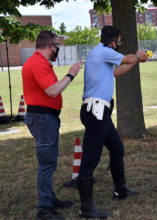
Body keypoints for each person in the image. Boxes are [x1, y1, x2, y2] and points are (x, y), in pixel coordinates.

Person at [76, 25, 147, 218]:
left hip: (101, 112)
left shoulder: (102, 55)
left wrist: (137, 61)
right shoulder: (104, 52)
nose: (120, 44)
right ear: (113, 41)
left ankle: (120, 190)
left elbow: (118, 71)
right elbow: (128, 58)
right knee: (90, 159)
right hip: (96, 111)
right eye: (119, 41)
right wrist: (138, 56)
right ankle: (86, 208)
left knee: (117, 148)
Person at [22, 30, 84, 220]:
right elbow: (52, 90)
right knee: (46, 165)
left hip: (45, 118)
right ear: (50, 45)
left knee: (49, 162)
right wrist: (71, 74)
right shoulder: (38, 63)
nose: (58, 49)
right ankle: (44, 209)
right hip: (42, 120)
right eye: (57, 45)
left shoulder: (38, 61)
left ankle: (49, 199)